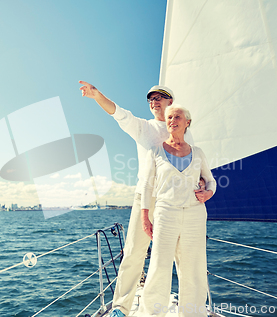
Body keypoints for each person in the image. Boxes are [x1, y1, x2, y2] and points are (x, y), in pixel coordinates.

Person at [79, 80, 194, 317]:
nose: (154, 101)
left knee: (181, 255)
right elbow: (117, 112)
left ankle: (189, 308)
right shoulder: (143, 127)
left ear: (170, 101)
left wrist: (202, 184)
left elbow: (195, 163)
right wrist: (97, 95)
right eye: (151, 99)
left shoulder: (185, 132)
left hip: (176, 198)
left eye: (159, 97)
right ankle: (121, 307)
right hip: (146, 198)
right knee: (133, 252)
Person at [139, 104, 215, 317]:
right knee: (159, 266)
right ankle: (152, 314)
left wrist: (208, 193)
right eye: (169, 117)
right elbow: (146, 186)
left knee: (193, 267)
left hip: (195, 215)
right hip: (165, 213)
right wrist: (145, 217)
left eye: (177, 117)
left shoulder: (198, 153)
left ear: (187, 122)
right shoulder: (156, 152)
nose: (172, 120)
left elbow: (211, 181)